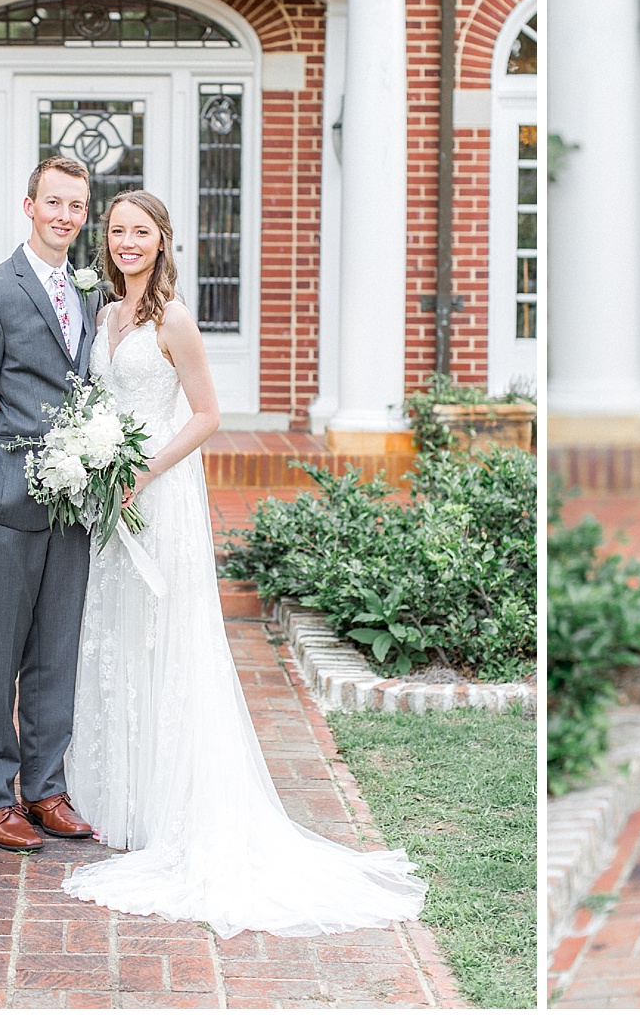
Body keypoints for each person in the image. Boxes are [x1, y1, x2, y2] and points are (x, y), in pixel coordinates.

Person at [59, 190, 427, 937]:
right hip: (111, 497)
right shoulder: (102, 315)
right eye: (118, 231)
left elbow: (207, 413)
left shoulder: (175, 320)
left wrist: (142, 469)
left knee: (168, 641)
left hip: (158, 501)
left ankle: (173, 807)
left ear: (164, 241)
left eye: (141, 232)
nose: (127, 242)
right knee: (118, 636)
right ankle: (119, 800)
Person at [0, 155, 102, 851]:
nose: (65, 216)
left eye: (77, 206)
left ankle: (45, 789)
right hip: (10, 499)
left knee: (55, 651)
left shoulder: (91, 291)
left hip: (73, 504)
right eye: (55, 202)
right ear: (29, 204)